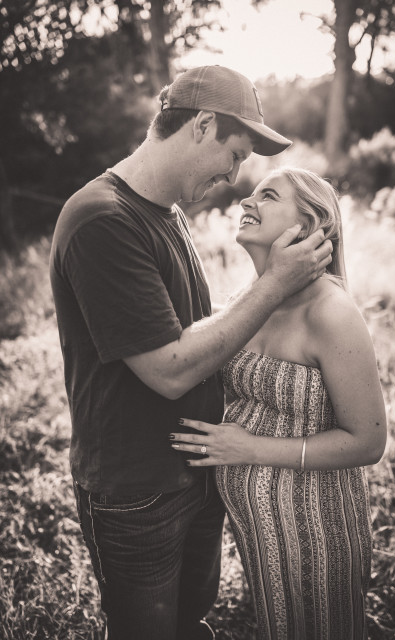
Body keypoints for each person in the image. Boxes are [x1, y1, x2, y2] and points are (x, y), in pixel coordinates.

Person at [49, 65, 333, 640]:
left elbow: (194, 325)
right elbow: (169, 370)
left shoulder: (167, 210)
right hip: (138, 491)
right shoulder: (103, 219)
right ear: (202, 125)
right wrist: (274, 285)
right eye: (234, 155)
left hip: (194, 472)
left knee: (189, 620)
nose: (234, 176)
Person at [170, 167, 387, 640]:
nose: (247, 202)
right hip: (260, 536)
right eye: (250, 194)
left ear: (309, 226)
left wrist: (249, 449)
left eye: (268, 196)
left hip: (317, 534)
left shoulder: (331, 312)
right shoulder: (250, 302)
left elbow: (368, 442)